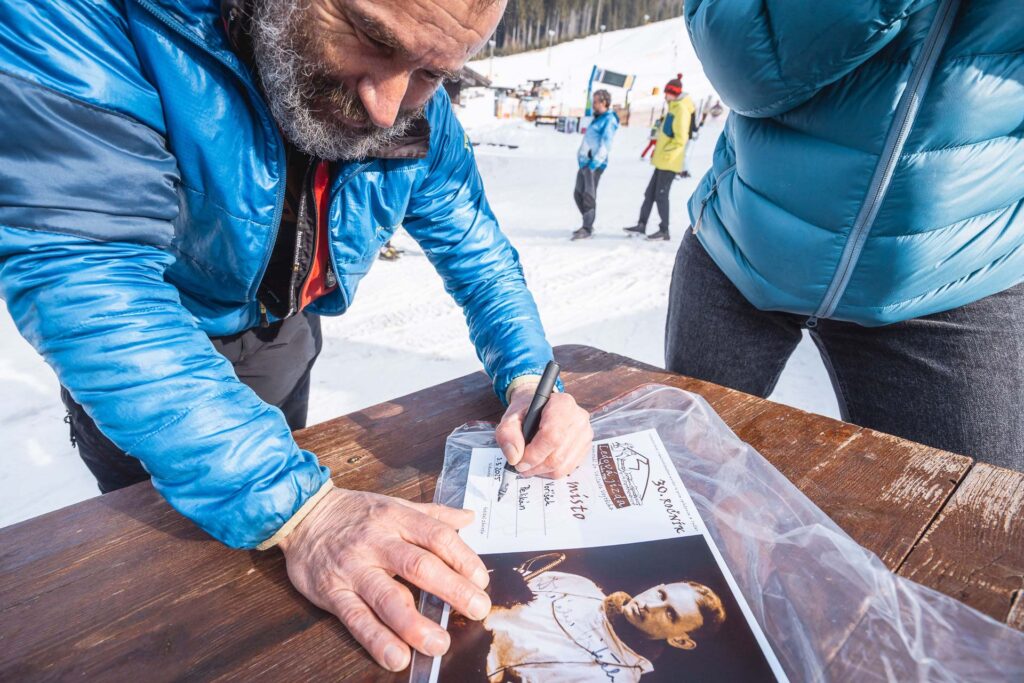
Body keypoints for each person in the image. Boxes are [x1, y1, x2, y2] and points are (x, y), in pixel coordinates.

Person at [0, 0, 594, 673]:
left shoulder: (411, 102)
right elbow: (84, 268)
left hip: (284, 337)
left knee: (279, 585)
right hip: (149, 349)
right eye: (373, 39)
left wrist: (528, 376)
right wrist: (305, 513)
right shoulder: (86, 16)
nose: (388, 106)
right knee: (162, 580)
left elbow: (476, 249)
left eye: (433, 72)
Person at [669, 0, 1024, 471]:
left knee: (974, 523)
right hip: (744, 245)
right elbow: (738, 59)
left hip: (959, 272)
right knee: (673, 478)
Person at [483, 568, 726, 682]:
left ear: (680, 640)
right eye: (661, 595)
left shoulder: (613, 678)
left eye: (670, 614)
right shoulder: (582, 585)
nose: (652, 605)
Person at [624, 74, 696, 242]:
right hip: (662, 160)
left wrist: (666, 152)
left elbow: (681, 139)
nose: (665, 96)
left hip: (670, 161)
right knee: (649, 194)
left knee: (661, 195)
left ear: (674, 93)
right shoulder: (673, 107)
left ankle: (664, 230)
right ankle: (641, 225)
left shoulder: (681, 110)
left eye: (667, 93)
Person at [571, 89, 620, 241]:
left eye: (596, 101)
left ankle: (587, 228)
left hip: (594, 164)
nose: (593, 104)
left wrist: (595, 163)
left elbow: (606, 143)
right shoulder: (598, 118)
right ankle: (587, 223)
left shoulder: (609, 119)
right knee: (578, 193)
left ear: (604, 102)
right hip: (585, 162)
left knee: (588, 195)